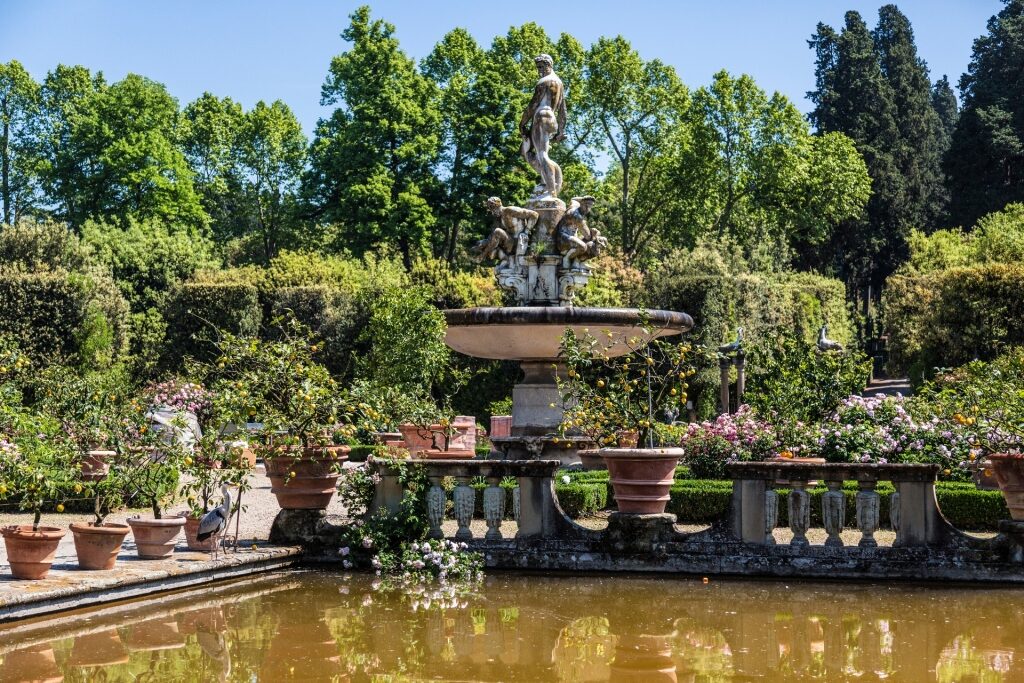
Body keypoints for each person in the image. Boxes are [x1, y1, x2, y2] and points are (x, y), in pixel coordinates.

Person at [519, 54, 567, 198]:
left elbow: (532, 105)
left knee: (541, 154)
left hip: (541, 117)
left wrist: (522, 123)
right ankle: (545, 181)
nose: (539, 70)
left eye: (541, 66)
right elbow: (563, 110)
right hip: (551, 120)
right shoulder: (559, 83)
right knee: (527, 152)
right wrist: (561, 131)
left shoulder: (544, 82)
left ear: (549, 65)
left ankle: (551, 189)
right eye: (537, 67)